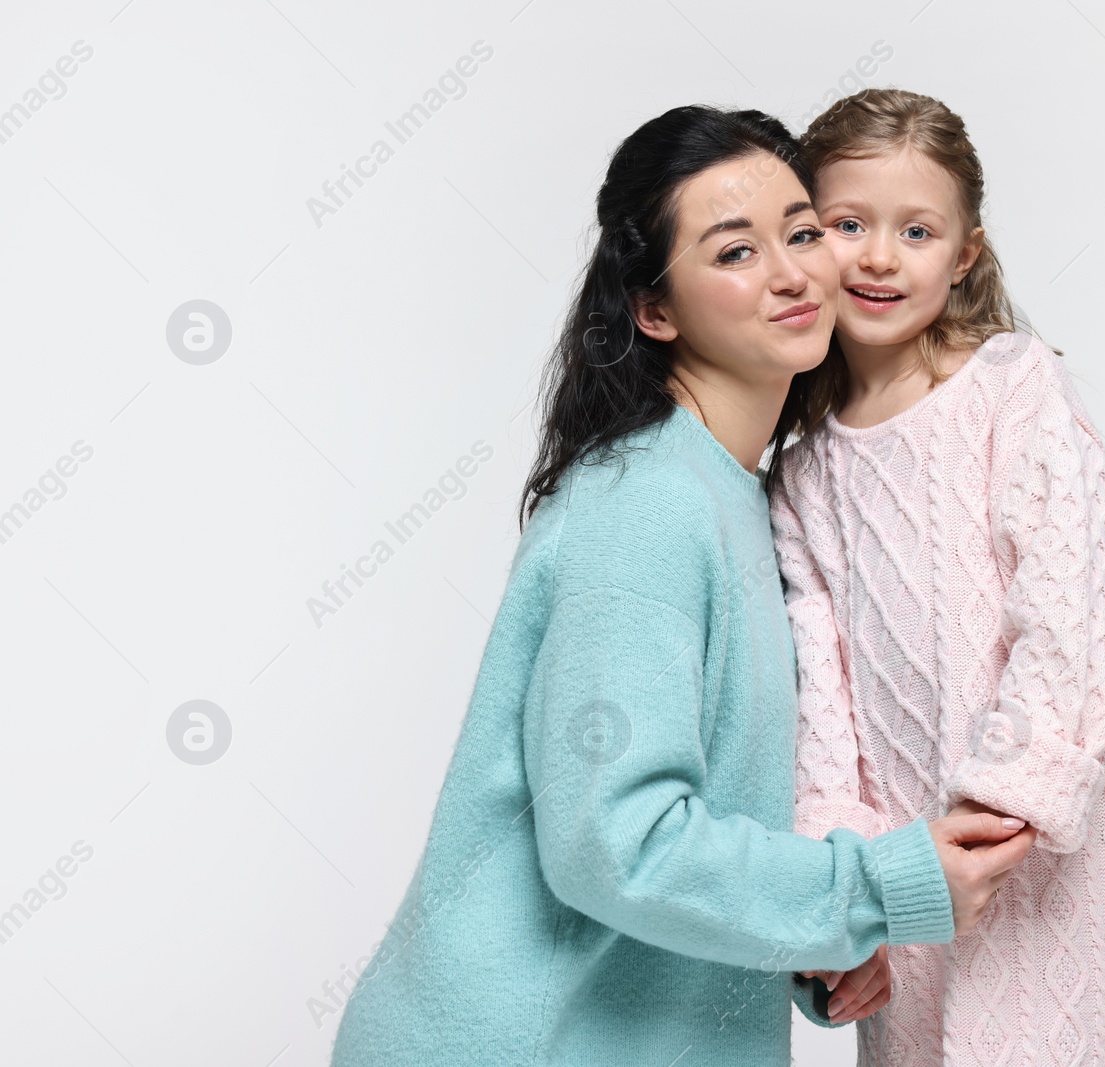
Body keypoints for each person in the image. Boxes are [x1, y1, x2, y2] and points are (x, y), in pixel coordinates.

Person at [327, 104, 1036, 1067]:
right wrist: (876, 887)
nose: (793, 272)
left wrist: (814, 949)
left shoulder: (736, 495)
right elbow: (616, 842)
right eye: (736, 252)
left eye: (802, 231)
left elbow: (697, 833)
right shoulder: (648, 506)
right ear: (654, 310)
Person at [770, 88, 1105, 1064]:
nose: (880, 256)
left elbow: (1067, 623)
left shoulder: (1013, 390)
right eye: (848, 225)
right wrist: (842, 898)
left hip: (1029, 868)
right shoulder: (804, 475)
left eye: (916, 230)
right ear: (804, 236)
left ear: (963, 253)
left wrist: (993, 818)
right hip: (908, 883)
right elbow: (826, 725)